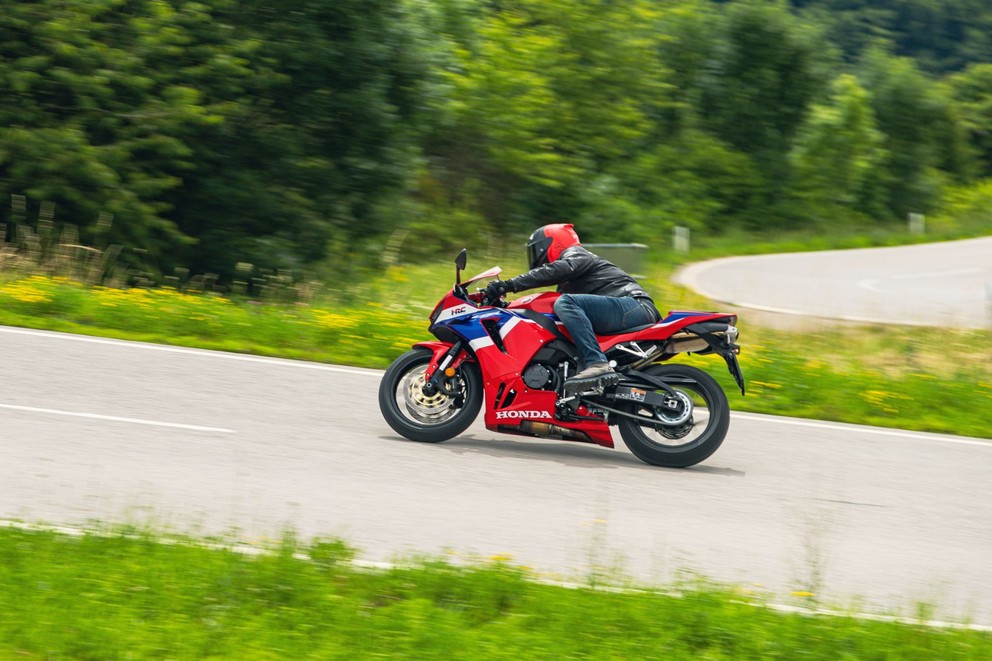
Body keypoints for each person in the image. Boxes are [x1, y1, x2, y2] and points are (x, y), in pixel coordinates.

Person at [486, 223, 660, 387]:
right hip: (624, 311)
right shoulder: (568, 281)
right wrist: (508, 308)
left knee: (565, 302)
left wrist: (510, 284)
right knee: (558, 311)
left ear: (554, 244)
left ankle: (597, 363)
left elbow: (559, 270)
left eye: (536, 250)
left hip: (634, 306)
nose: (536, 257)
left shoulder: (576, 254)